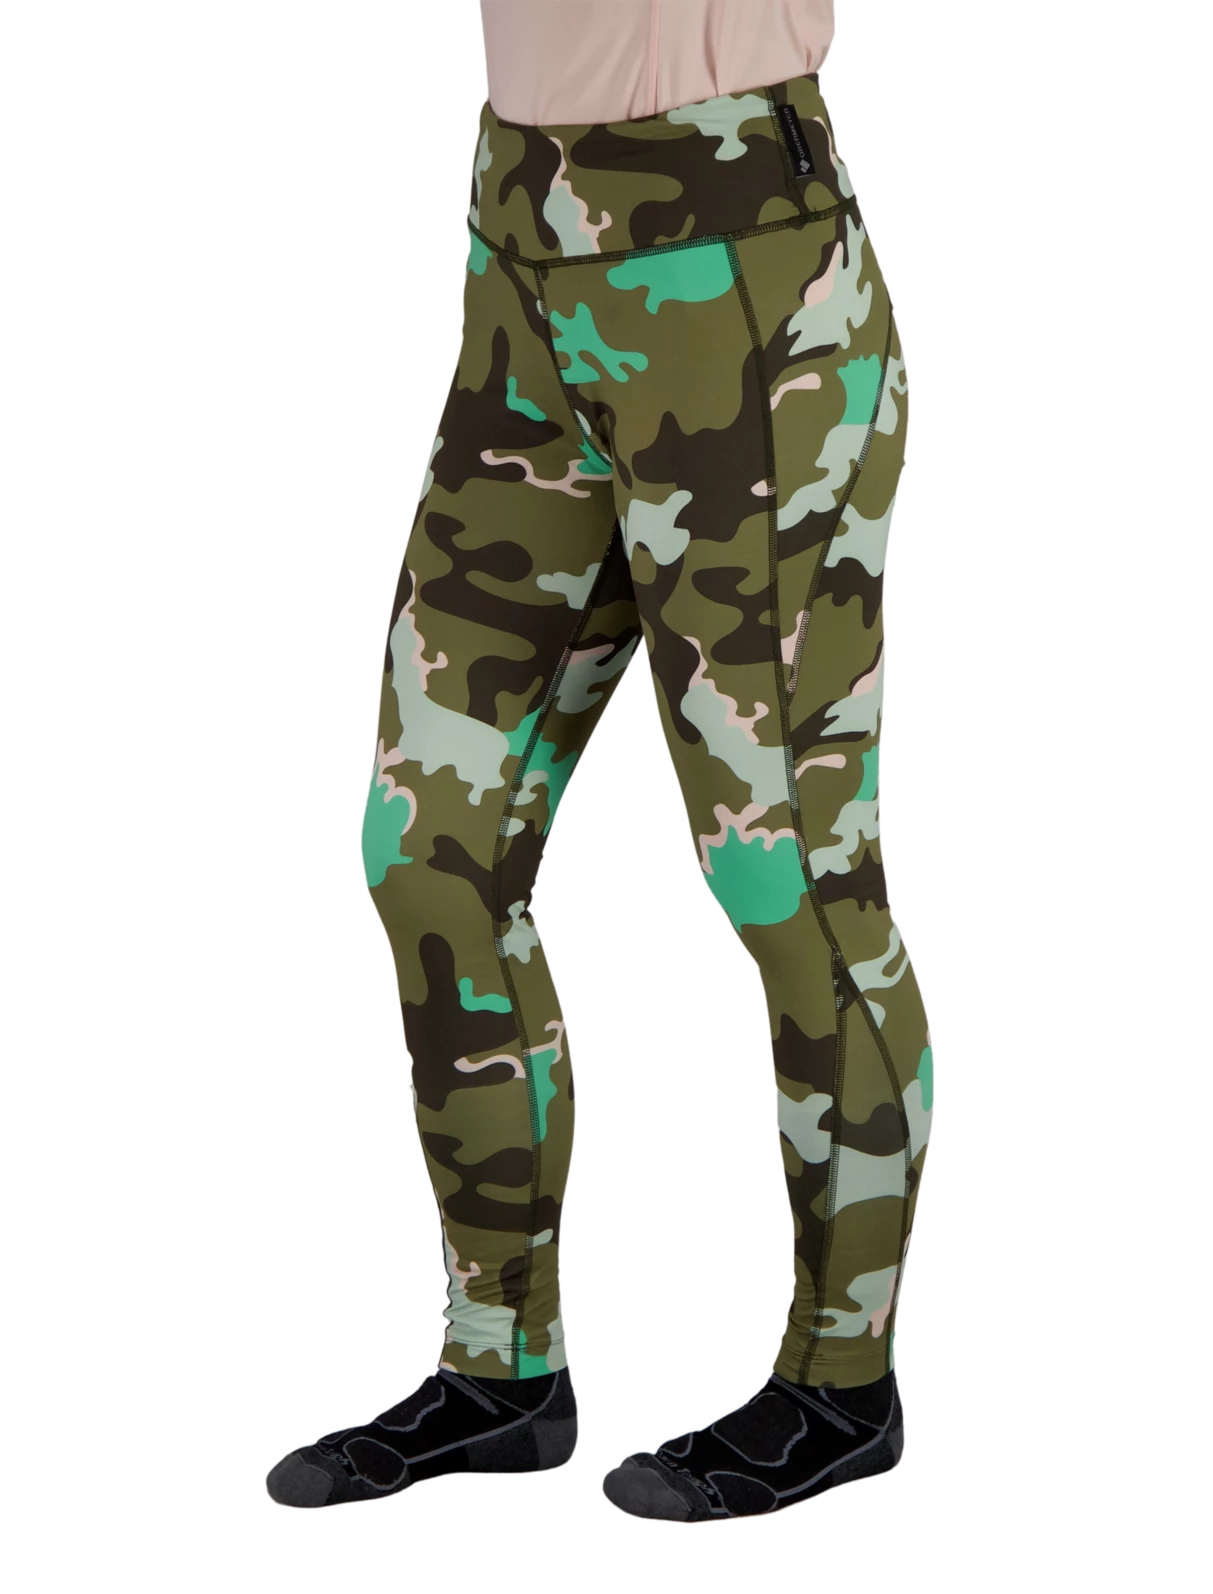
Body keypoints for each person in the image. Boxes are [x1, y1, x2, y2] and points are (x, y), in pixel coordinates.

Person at [267, 0, 931, 1521]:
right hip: (518, 266)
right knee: (423, 854)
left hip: (742, 280)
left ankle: (842, 1385)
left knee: (787, 872)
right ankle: (502, 1371)